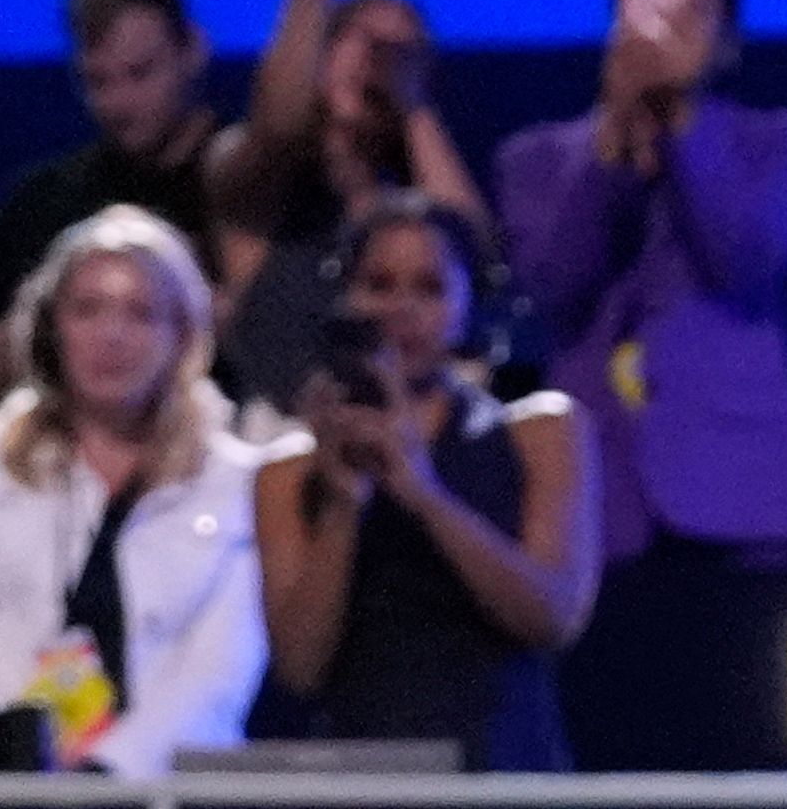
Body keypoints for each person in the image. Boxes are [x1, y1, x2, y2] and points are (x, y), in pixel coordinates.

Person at [497, 0, 787, 769]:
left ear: (725, 43)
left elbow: (745, 257)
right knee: (606, 755)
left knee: (745, 755)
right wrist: (614, 140)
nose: (657, 35)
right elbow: (557, 282)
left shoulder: (779, 144)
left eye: (685, 16)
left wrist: (681, 124)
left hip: (741, 522)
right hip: (597, 524)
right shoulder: (539, 158)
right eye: (640, 11)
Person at [0, 207, 266, 775]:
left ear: (182, 335)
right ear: (52, 326)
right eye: (88, 310)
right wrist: (28, 767)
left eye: (141, 314)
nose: (112, 335)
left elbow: (218, 677)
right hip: (6, 791)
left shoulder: (237, 480)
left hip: (168, 789)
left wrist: (105, 774)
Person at [255, 190, 597, 771]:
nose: (401, 309)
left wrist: (425, 495)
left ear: (469, 302)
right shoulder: (288, 471)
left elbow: (553, 617)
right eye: (379, 285)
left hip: (505, 770)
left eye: (430, 288)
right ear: (347, 298)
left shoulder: (540, 432)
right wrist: (342, 504)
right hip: (360, 777)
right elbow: (300, 668)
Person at [207, 0, 486, 425]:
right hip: (283, 446)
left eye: (400, 51)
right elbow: (279, 127)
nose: (379, 59)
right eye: (363, 39)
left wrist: (410, 101)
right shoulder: (260, 185)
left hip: (409, 446)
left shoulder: (407, 195)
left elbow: (468, 244)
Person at [0, 0, 220, 419]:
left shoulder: (247, 189)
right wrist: (62, 320)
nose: (119, 102)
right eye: (98, 81)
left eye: (140, 72)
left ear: (192, 49)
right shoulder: (44, 200)